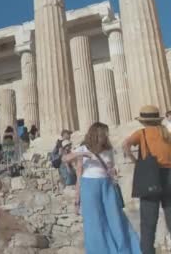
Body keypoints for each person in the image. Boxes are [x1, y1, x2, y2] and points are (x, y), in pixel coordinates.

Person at [61, 122, 139, 253]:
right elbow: (65, 158)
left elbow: (111, 166)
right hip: (90, 186)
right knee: (94, 222)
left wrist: (113, 171)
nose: (105, 136)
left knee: (116, 218)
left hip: (107, 185)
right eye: (103, 134)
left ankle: (126, 249)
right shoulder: (84, 149)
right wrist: (81, 155)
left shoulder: (108, 149)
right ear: (96, 135)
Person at [123, 105, 171, 254]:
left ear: (143, 121)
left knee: (148, 222)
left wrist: (134, 160)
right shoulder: (167, 133)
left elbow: (125, 145)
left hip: (151, 177)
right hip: (169, 175)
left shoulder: (141, 133)